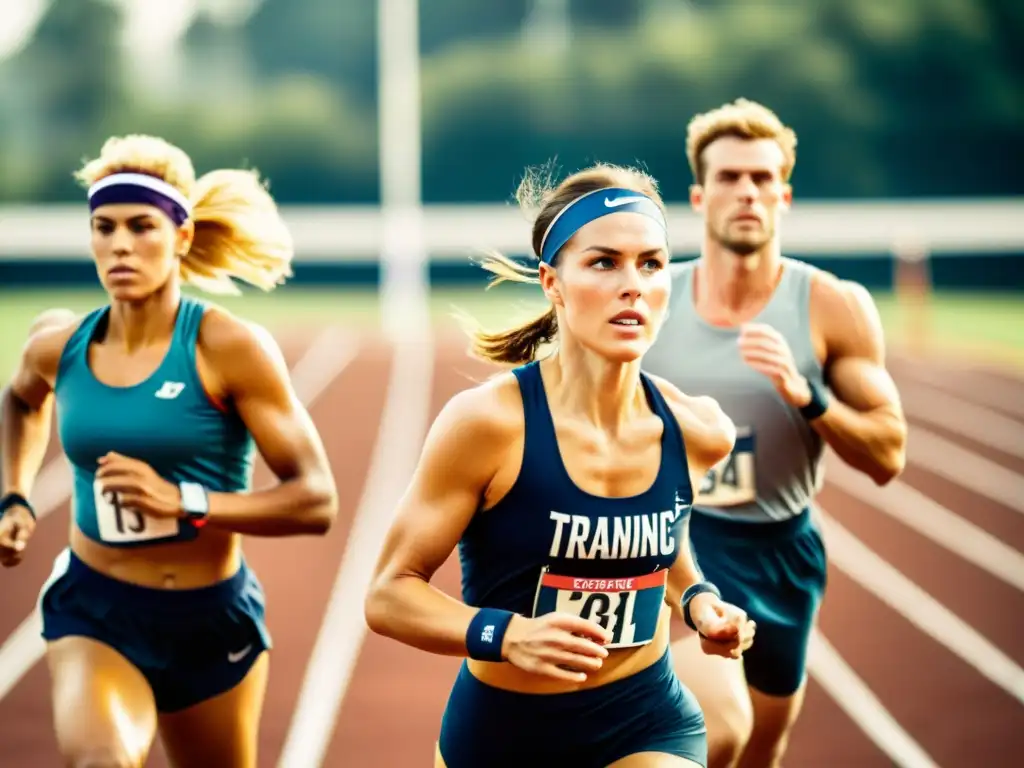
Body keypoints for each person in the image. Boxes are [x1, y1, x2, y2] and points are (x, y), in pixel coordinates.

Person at [364, 161, 758, 768]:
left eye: (651, 263)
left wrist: (700, 601)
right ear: (552, 281)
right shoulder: (488, 424)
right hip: (503, 733)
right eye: (604, 262)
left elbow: (660, 541)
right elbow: (389, 594)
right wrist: (508, 633)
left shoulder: (700, 430)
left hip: (645, 716)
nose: (633, 284)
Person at [0, 134, 339, 768]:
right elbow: (21, 402)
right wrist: (14, 495)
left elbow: (315, 499)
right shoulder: (58, 344)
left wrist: (182, 501)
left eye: (141, 227)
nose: (120, 245)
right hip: (97, 610)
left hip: (209, 621)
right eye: (103, 227)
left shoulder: (226, 347)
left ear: (181, 237)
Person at [642, 98, 909, 768]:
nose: (747, 193)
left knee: (758, 748)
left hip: (780, 553)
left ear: (783, 196)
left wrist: (807, 396)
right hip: (674, 543)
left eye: (762, 179)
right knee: (704, 734)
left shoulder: (832, 307)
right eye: (730, 178)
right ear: (700, 197)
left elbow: (887, 455)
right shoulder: (650, 302)